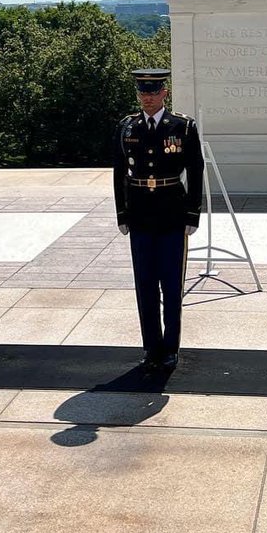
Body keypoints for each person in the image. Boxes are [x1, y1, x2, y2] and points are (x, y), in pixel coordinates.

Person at [112, 69, 204, 371]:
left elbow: (195, 171)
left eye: (153, 93)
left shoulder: (183, 127)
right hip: (139, 213)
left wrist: (193, 213)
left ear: (164, 93)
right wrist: (122, 213)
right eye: (143, 94)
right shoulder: (128, 127)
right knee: (145, 284)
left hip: (171, 213)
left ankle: (170, 347)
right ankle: (151, 346)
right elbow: (118, 174)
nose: (147, 98)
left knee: (172, 284)